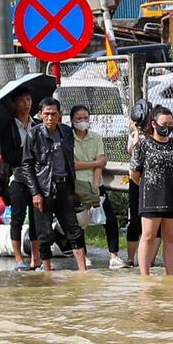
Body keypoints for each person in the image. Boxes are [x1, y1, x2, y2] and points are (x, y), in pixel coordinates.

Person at [20, 97, 88, 272]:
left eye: (54, 114)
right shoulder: (33, 134)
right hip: (44, 189)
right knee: (45, 234)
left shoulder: (65, 132)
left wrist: (73, 188)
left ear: (60, 115)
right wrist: (35, 193)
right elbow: (27, 165)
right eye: (46, 114)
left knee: (74, 229)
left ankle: (82, 269)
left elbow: (70, 160)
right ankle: (47, 270)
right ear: (41, 115)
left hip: (64, 187)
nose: (50, 118)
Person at [130, 104, 173, 277]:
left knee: (169, 237)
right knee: (149, 235)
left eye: (170, 124)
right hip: (151, 195)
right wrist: (146, 185)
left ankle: (170, 275)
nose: (167, 127)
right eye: (163, 124)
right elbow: (134, 173)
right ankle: (145, 275)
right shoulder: (144, 144)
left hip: (172, 195)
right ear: (153, 123)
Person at [0, 87, 39, 268]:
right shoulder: (8, 128)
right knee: (18, 216)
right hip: (18, 177)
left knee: (37, 217)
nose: (26, 103)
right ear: (14, 104)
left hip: (37, 177)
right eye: (22, 100)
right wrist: (28, 150)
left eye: (28, 99)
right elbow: (8, 156)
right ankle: (19, 259)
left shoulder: (37, 124)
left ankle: (36, 258)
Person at [68, 103, 110, 255]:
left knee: (109, 219)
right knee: (80, 221)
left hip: (94, 182)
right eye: (79, 118)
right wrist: (95, 163)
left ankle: (114, 255)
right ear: (72, 120)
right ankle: (82, 255)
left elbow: (101, 163)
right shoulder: (68, 138)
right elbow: (73, 165)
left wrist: (97, 185)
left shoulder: (96, 137)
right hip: (77, 183)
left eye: (85, 118)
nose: (82, 121)